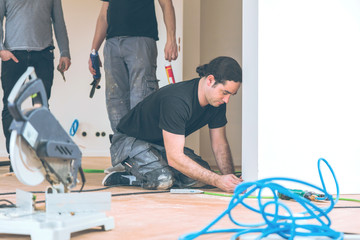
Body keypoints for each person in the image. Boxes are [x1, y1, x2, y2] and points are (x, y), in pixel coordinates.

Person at [103, 56, 243, 193]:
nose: (227, 100)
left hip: (161, 145)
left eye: (231, 94)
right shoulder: (177, 101)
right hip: (129, 141)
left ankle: (147, 168)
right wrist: (217, 180)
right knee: (163, 179)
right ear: (210, 80)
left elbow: (220, 145)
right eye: (224, 93)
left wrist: (231, 180)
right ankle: (127, 175)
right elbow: (175, 158)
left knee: (202, 179)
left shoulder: (217, 103)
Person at [88, 0, 178, 136]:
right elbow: (103, 15)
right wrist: (93, 51)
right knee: (115, 101)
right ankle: (123, 151)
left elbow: (166, 4)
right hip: (112, 43)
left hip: (140, 40)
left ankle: (142, 152)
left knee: (142, 99)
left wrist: (171, 39)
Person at [0, 0, 71, 171]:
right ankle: (15, 159)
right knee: (11, 107)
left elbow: (58, 21)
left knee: (40, 109)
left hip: (43, 56)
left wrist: (65, 52)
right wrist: (1, 49)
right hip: (14, 56)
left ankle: (41, 157)